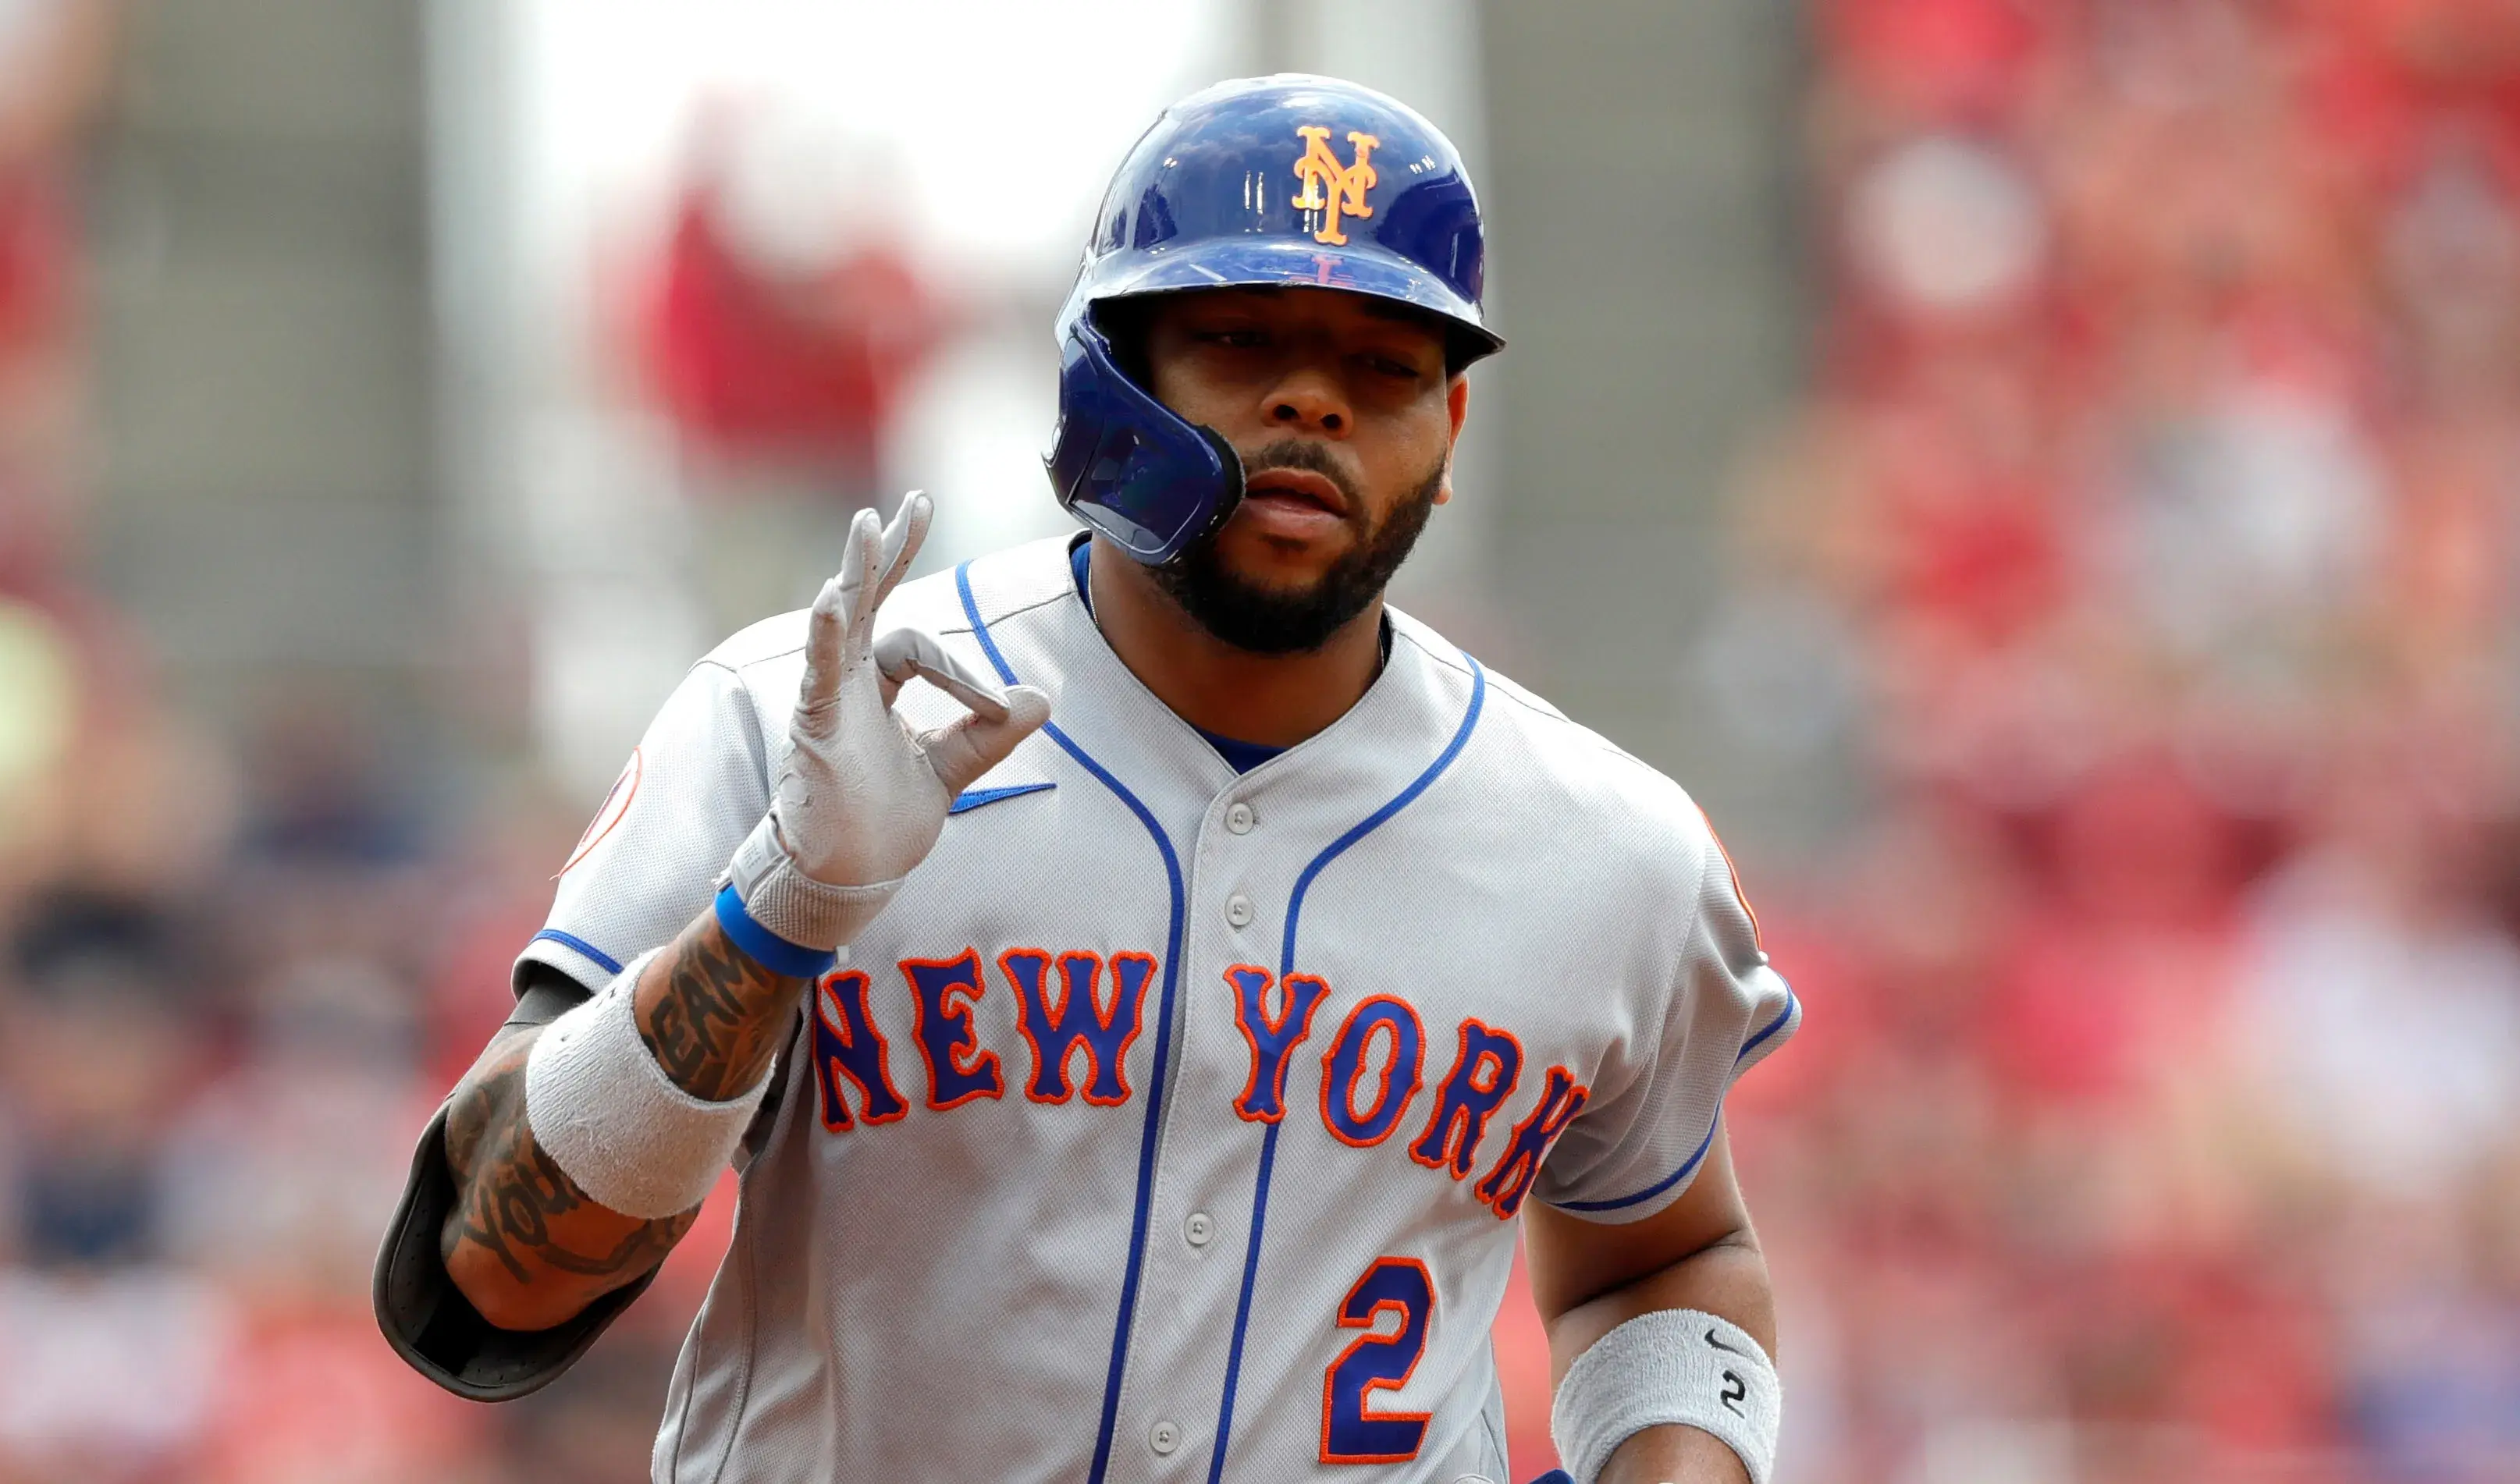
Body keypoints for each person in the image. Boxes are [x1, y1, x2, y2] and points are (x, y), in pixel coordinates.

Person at [375, 75, 1799, 1484]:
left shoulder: (1605, 848)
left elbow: (1669, 1258)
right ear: (1107, 376)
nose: (1315, 397)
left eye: (1387, 363)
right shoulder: (806, 719)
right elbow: (490, 1277)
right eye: (1240, 335)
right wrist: (774, 914)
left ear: (1449, 434)